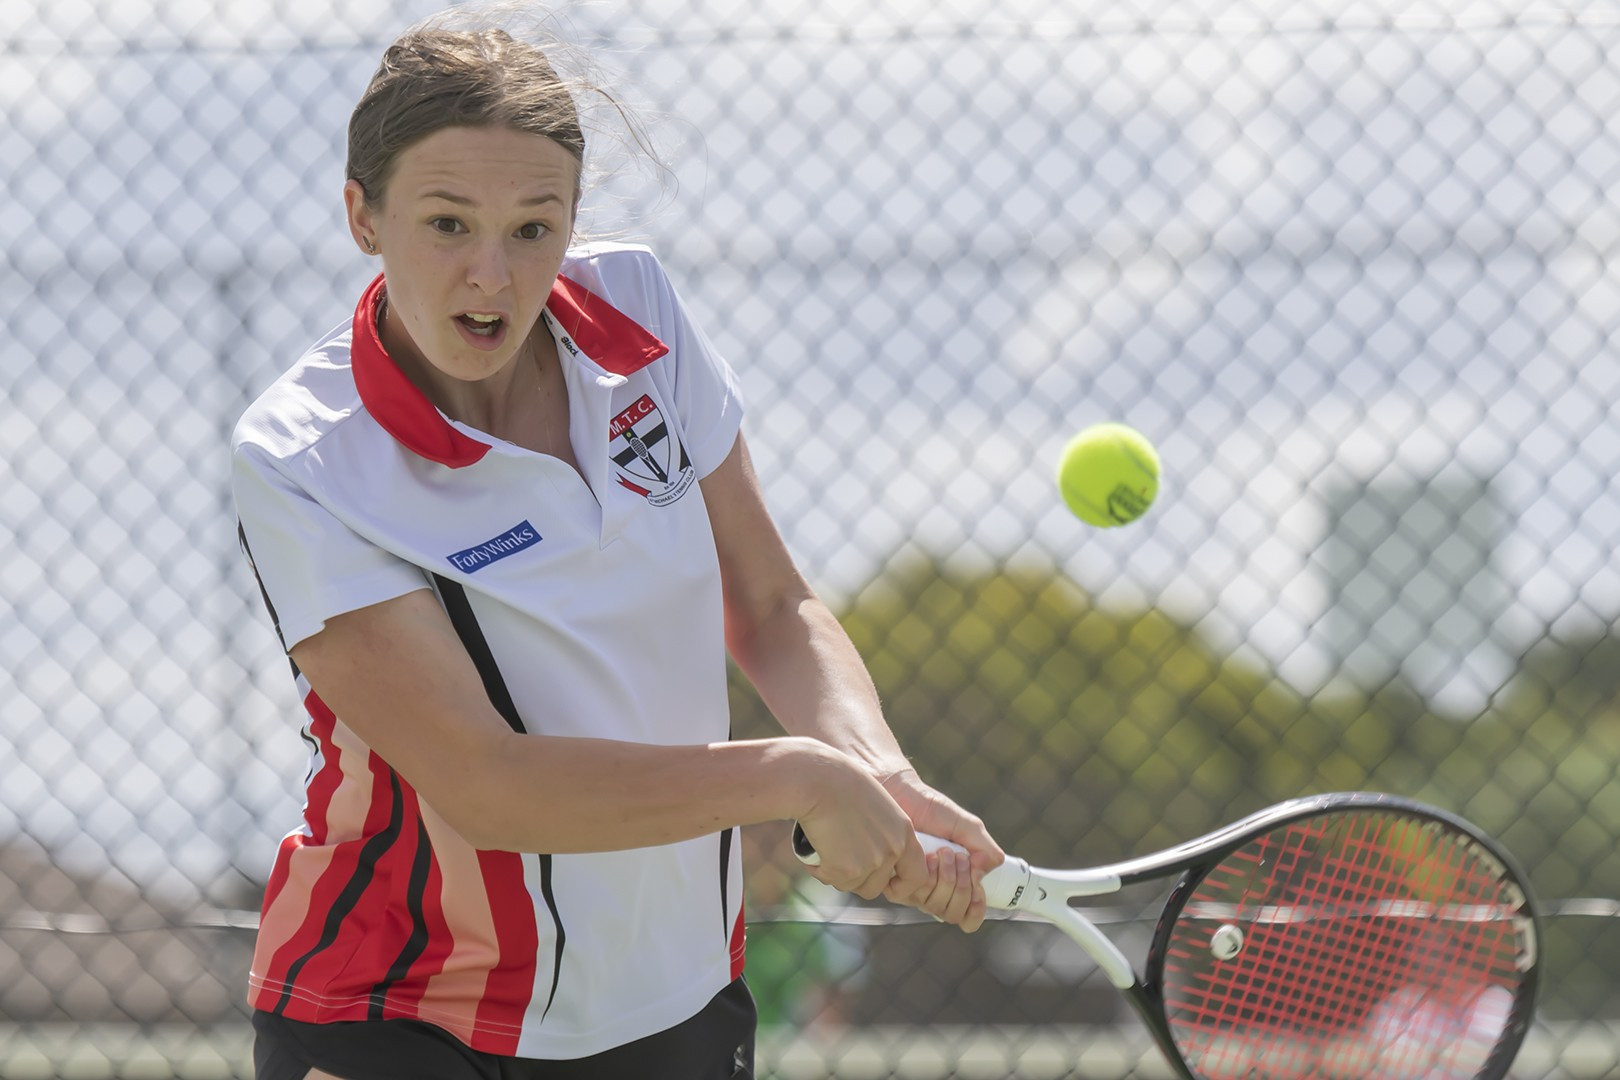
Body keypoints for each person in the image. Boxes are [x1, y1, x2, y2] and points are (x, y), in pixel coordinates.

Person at [230, 11, 1004, 1079]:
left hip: (674, 994)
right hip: (404, 1009)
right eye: (448, 225)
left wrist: (880, 774)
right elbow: (488, 787)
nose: (492, 278)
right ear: (363, 215)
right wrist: (801, 777)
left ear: (575, 218)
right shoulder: (303, 455)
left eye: (534, 229)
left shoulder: (636, 304)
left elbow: (773, 607)